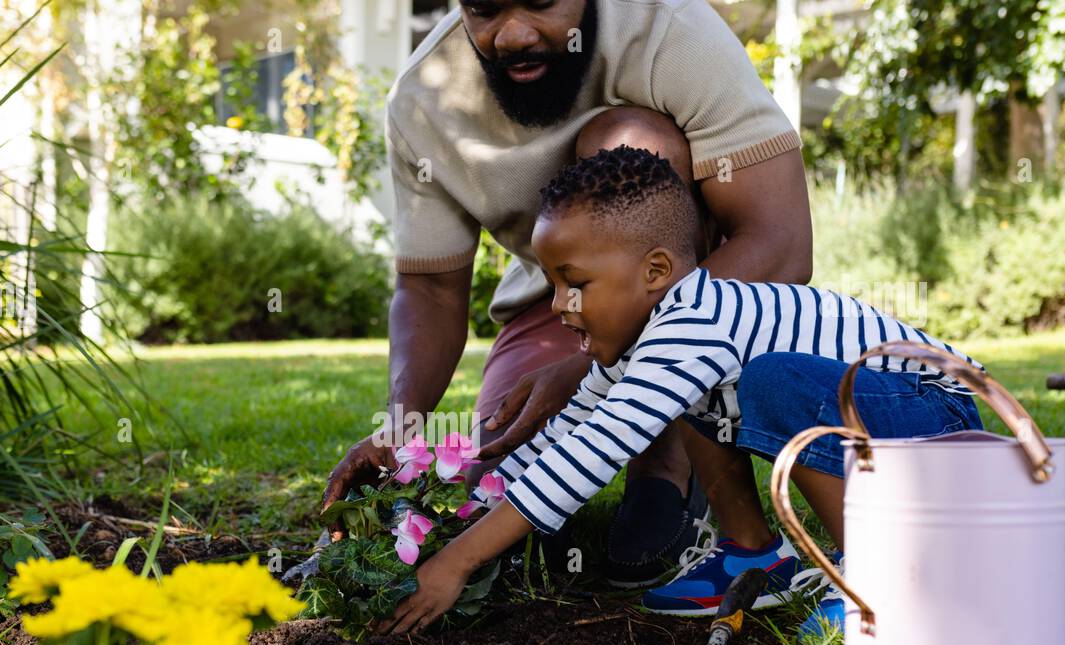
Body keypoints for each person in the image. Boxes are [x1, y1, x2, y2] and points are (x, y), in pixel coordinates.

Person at [373, 146, 985, 639]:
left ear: (657, 272)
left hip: (932, 414)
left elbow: (588, 459)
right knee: (701, 398)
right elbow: (569, 436)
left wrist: (457, 563)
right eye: (552, 284)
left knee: (771, 380)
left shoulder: (694, 325)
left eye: (575, 283)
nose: (559, 305)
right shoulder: (653, 338)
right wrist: (455, 512)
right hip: (883, 420)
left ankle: (875, 577)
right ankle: (754, 556)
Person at [321, 0, 813, 587]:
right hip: (553, 302)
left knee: (628, 138)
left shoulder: (671, 31)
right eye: (483, 8)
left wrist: (592, 373)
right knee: (487, 489)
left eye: (542, 1)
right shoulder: (422, 99)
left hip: (701, 290)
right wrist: (401, 425)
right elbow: (431, 292)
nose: (514, 34)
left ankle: (667, 455)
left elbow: (780, 244)